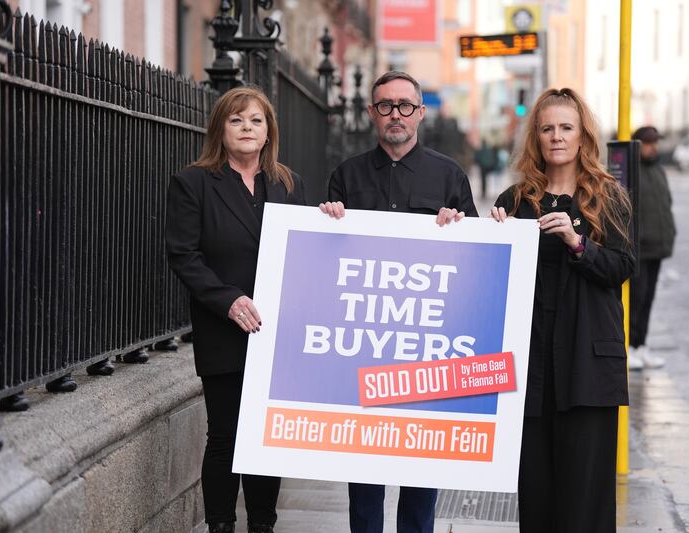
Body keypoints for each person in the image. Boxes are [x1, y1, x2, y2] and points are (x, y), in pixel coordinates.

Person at [319, 70, 478, 533]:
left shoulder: (449, 174)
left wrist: (460, 226)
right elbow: (330, 265)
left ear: (421, 113)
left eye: (405, 105)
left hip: (423, 348)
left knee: (421, 475)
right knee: (364, 476)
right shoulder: (345, 176)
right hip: (365, 349)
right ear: (372, 113)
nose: (396, 114)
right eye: (385, 105)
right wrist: (327, 220)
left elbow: (470, 263)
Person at [490, 87, 635, 532]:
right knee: (537, 495)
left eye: (566, 128)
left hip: (588, 369)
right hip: (531, 371)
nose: (556, 136)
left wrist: (577, 244)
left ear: (582, 136)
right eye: (547, 128)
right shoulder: (516, 199)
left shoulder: (607, 195)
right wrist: (491, 238)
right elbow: (494, 280)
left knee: (585, 500)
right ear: (536, 136)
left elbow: (622, 266)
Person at [166, 86, 306, 533]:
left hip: (276, 331)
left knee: (268, 439)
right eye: (237, 120)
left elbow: (305, 247)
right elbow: (184, 255)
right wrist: (229, 301)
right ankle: (221, 526)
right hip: (223, 329)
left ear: (269, 132)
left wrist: (331, 217)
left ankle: (263, 525)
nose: (247, 128)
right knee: (225, 436)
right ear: (220, 129)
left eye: (256, 120)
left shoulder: (288, 183)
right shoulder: (193, 183)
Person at [627, 126, 675, 370]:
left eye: (655, 142)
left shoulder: (658, 169)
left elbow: (666, 203)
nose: (653, 146)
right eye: (648, 142)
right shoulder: (631, 171)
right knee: (635, 299)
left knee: (648, 299)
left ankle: (641, 345)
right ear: (637, 144)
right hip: (639, 249)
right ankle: (629, 347)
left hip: (657, 247)